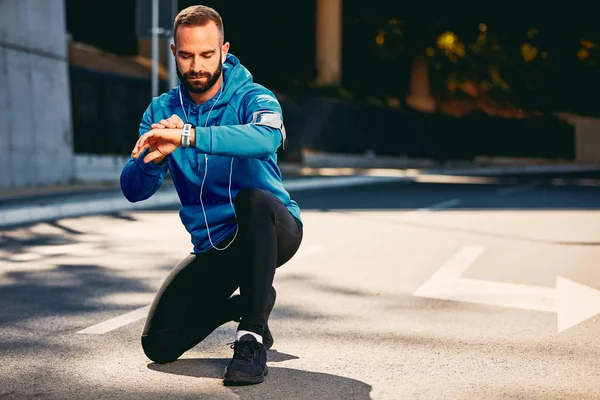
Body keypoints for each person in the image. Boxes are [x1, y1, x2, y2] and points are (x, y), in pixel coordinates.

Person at [120, 5, 303, 386]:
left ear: (224, 50)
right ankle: (248, 301)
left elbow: (268, 137)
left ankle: (251, 337)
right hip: (215, 246)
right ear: (174, 53)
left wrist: (188, 136)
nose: (197, 66)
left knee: (252, 200)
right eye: (187, 56)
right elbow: (133, 190)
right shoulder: (161, 110)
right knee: (159, 346)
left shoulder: (253, 96)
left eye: (207, 54)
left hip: (272, 229)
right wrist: (154, 160)